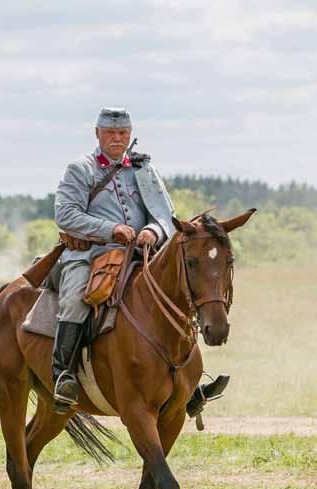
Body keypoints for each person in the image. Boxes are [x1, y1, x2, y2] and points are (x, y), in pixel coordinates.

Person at [53, 107, 229, 414]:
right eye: (110, 133)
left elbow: (165, 215)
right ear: (97, 134)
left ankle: (189, 385)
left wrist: (151, 230)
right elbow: (66, 215)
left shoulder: (144, 170)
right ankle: (63, 376)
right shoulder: (79, 169)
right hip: (91, 254)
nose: (117, 139)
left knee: (182, 296)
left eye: (123, 134)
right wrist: (110, 229)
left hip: (141, 254)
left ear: (130, 134)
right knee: (74, 300)